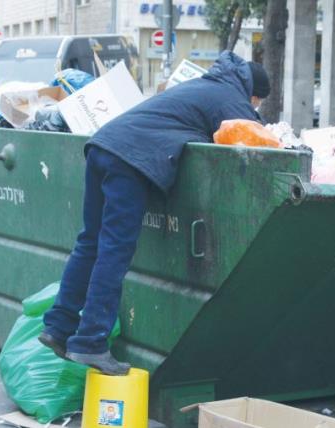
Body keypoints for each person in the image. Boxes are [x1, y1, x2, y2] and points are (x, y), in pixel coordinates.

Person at [39, 51, 270, 375]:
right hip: (129, 160)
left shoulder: (205, 84)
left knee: (90, 242)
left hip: (102, 146)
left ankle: (59, 326)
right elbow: (255, 141)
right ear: (254, 95)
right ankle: (90, 341)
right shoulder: (230, 98)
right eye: (257, 102)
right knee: (114, 250)